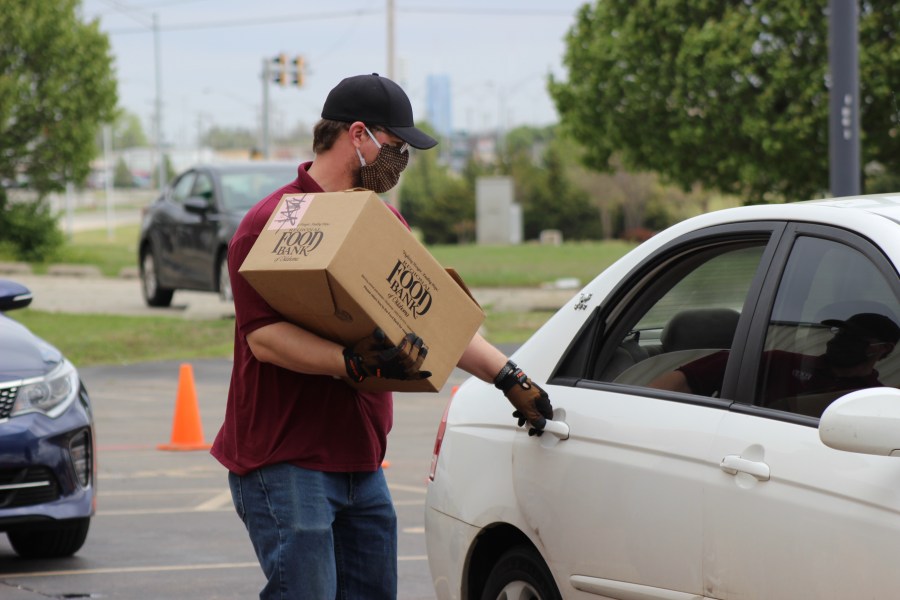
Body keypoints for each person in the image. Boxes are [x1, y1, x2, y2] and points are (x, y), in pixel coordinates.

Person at [209, 73, 553, 600]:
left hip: (361, 461)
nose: (400, 161)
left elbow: (434, 320)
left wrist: (509, 377)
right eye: (394, 147)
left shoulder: (383, 221)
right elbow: (264, 338)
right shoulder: (269, 223)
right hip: (285, 461)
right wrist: (350, 363)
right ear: (358, 135)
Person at [650, 312, 899, 406]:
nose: (840, 340)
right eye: (840, 332)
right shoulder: (778, 362)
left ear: (883, 349)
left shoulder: (877, 401)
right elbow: (679, 383)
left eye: (854, 337)